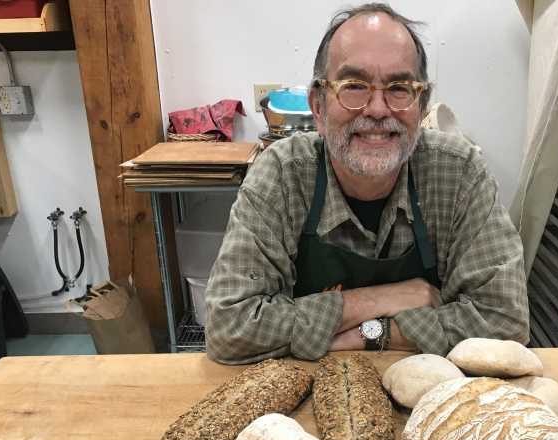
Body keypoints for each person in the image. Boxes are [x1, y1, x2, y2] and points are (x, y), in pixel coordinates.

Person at [204, 2, 529, 364]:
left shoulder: (458, 173)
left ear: (422, 105)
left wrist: (363, 336)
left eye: (399, 87)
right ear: (318, 107)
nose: (377, 109)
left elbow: (505, 321)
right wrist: (379, 299)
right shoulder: (282, 175)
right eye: (354, 86)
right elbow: (229, 327)